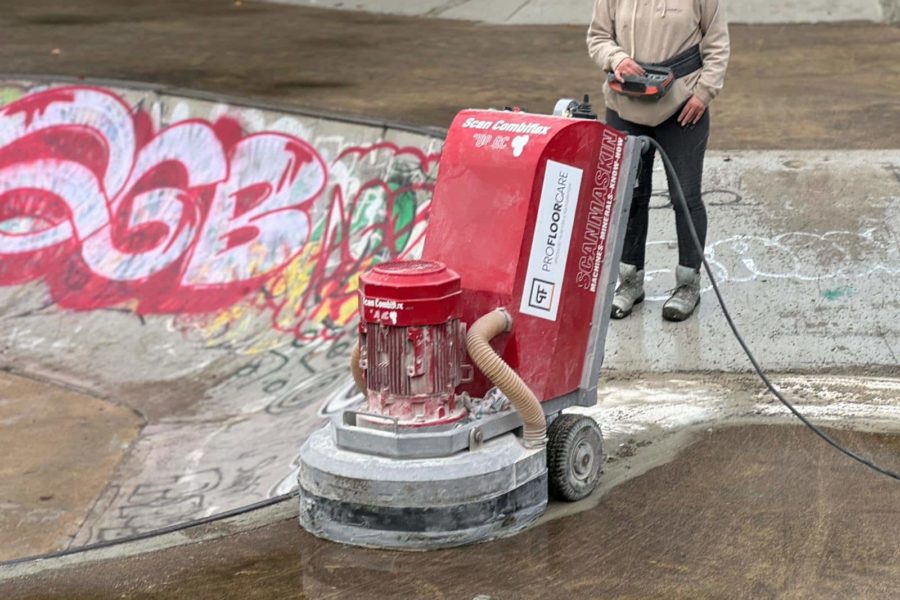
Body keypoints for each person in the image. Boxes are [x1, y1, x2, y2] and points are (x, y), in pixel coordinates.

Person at [587, 0, 730, 321]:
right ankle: (630, 282)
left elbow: (717, 43)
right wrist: (617, 58)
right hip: (625, 107)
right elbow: (597, 37)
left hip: (683, 108)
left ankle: (688, 285)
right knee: (630, 197)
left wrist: (704, 93)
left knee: (685, 198)